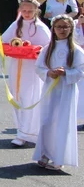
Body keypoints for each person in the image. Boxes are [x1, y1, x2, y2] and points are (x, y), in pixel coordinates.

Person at [33, 15, 84, 170]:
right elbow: (38, 67)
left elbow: (80, 70)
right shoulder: (47, 49)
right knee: (47, 121)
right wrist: (49, 73)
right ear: (53, 29)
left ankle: (59, 159)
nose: (62, 30)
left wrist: (66, 73)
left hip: (66, 91)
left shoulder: (76, 50)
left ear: (71, 29)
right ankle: (45, 153)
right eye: (59, 27)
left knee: (62, 122)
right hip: (50, 90)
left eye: (65, 27)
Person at [1, 0, 51, 146]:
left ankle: (29, 132)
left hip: (32, 69)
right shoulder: (16, 24)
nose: (27, 13)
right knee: (17, 97)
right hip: (17, 65)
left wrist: (33, 50)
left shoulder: (41, 27)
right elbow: (3, 39)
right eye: (24, 10)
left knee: (30, 97)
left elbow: (47, 47)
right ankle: (21, 130)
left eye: (30, 11)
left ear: (36, 10)